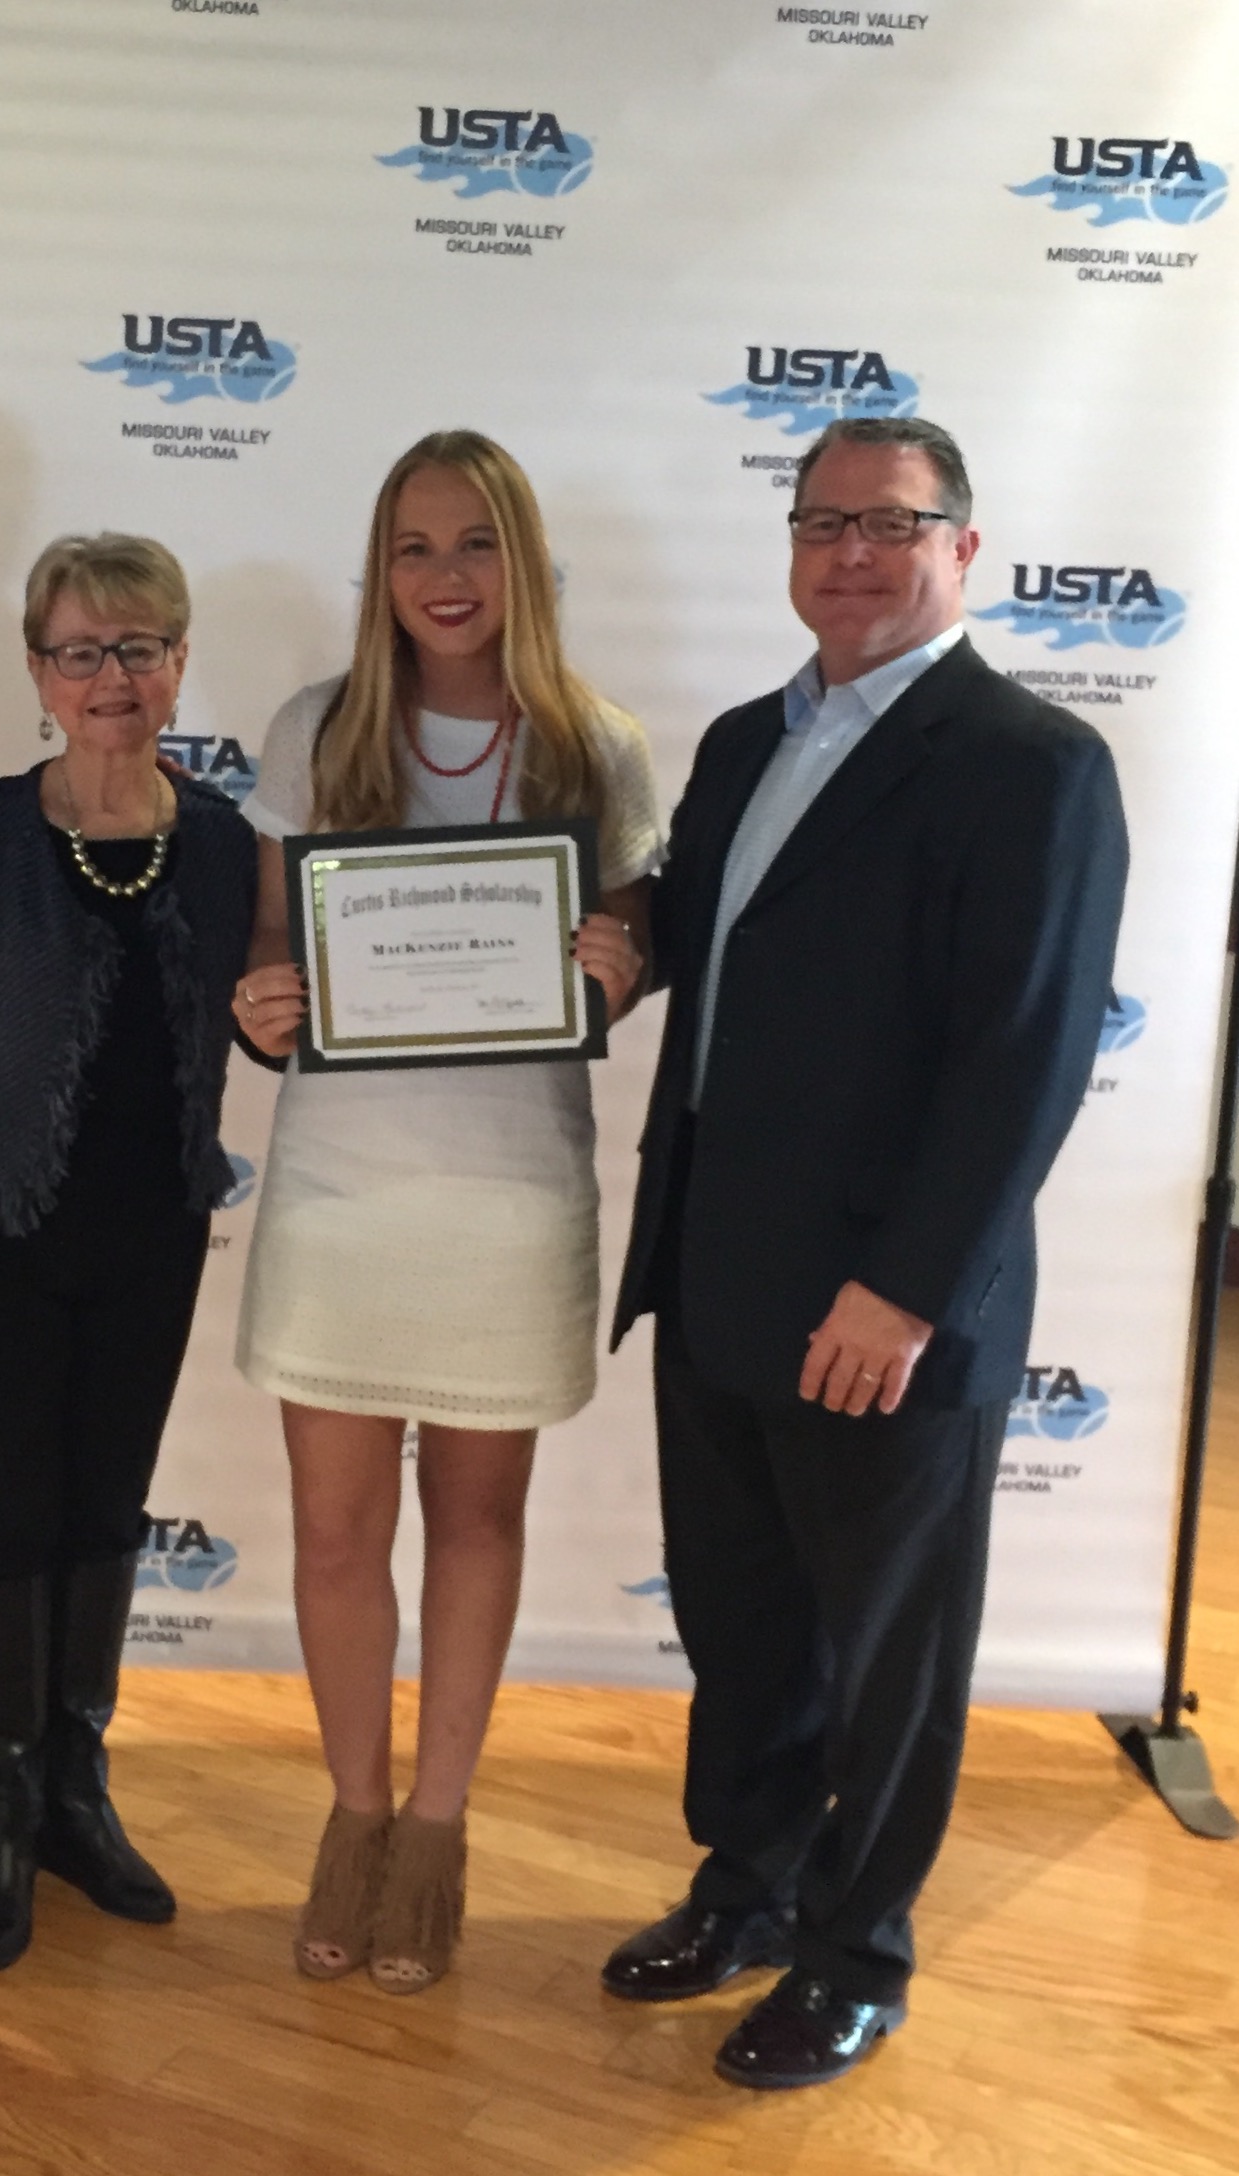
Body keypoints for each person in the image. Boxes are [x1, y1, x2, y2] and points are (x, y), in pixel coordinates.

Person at [601, 415, 1128, 2089]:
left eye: (891, 525)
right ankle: (745, 1889)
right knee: (743, 1623)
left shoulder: (1030, 761)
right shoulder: (753, 735)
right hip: (719, 1273)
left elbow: (1024, 1057)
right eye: (822, 519)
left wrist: (906, 1290)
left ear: (961, 550)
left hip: (882, 1309)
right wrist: (616, 931)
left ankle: (855, 1955)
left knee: (890, 1655)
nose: (851, 551)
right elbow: (700, 920)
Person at [235, 430, 661, 1993]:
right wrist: (262, 1006)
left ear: (525, 566)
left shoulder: (593, 746)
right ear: (381, 574)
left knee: (478, 1520)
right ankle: (353, 1816)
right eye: (413, 549)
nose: (445, 579)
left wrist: (625, 963)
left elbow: (629, 935)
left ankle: (439, 1825)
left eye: (474, 546)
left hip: (509, 1189)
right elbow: (275, 953)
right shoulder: (319, 730)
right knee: (337, 1536)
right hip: (346, 1187)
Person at [0, 533, 257, 1973]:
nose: (115, 677)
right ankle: (5, 1803)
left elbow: (259, 1023)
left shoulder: (222, 843)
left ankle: (81, 1792)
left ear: (178, 661)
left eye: (142, 646)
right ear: (37, 672)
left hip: (154, 1244)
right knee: (2, 1525)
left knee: (108, 1514)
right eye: (84, 652)